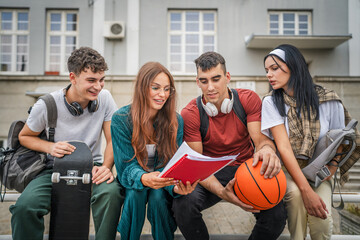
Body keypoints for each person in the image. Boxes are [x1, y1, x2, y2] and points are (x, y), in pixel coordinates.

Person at [11, 47, 123, 240]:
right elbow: (25, 137)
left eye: (101, 80)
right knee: (24, 207)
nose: (98, 86)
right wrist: (50, 147)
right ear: (73, 77)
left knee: (111, 195)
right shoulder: (46, 104)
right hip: (53, 168)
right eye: (91, 80)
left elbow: (113, 139)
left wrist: (106, 167)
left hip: (92, 167)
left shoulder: (105, 99)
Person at [172, 51, 287, 240]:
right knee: (183, 205)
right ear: (197, 82)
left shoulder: (247, 100)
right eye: (204, 81)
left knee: (276, 214)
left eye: (216, 79)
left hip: (246, 169)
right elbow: (196, 165)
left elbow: (261, 141)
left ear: (227, 77)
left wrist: (268, 150)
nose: (210, 87)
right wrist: (224, 193)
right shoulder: (191, 113)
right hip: (210, 172)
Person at [261, 44, 359, 240]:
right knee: (296, 198)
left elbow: (341, 139)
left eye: (274, 68)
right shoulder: (271, 102)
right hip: (288, 171)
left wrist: (330, 170)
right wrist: (306, 190)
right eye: (266, 70)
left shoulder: (329, 100)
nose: (268, 75)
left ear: (294, 67)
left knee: (322, 223)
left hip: (320, 171)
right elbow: (283, 147)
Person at [111, 62, 198, 240]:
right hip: (132, 179)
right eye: (156, 88)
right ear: (142, 88)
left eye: (167, 89)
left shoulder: (175, 121)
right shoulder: (120, 119)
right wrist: (144, 178)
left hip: (162, 182)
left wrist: (177, 188)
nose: (162, 95)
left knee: (158, 197)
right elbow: (125, 166)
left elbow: (173, 164)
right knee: (137, 193)